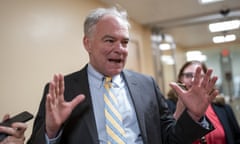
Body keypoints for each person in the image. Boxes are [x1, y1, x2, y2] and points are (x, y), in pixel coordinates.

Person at [27, 7, 219, 144]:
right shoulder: (63, 90)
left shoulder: (147, 85)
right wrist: (51, 132)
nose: (120, 49)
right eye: (109, 40)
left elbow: (170, 138)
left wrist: (193, 115)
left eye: (125, 42)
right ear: (88, 43)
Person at [166, 60, 240, 144]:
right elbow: (168, 138)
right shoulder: (167, 106)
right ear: (180, 79)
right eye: (188, 75)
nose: (194, 80)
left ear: (207, 80)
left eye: (200, 76)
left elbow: (236, 138)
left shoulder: (223, 108)